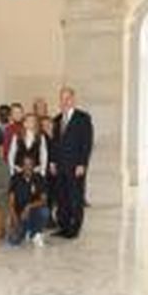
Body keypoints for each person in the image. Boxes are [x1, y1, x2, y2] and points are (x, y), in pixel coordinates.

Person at [49, 86, 93, 239]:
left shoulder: (83, 118)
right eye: (62, 98)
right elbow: (54, 143)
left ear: (73, 99)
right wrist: (53, 162)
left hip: (75, 167)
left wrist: (82, 164)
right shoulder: (57, 119)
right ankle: (63, 226)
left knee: (75, 197)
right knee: (62, 198)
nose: (65, 101)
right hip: (59, 167)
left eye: (68, 98)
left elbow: (87, 143)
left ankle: (74, 229)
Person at [8, 155, 50, 247]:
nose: (27, 167)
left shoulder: (39, 178)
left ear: (33, 166)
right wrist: (14, 219)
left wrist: (28, 207)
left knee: (45, 212)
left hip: (33, 211)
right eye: (25, 164)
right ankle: (26, 231)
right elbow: (11, 202)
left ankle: (35, 233)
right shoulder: (15, 178)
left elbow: (44, 200)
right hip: (19, 213)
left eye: (30, 164)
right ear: (21, 166)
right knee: (13, 242)